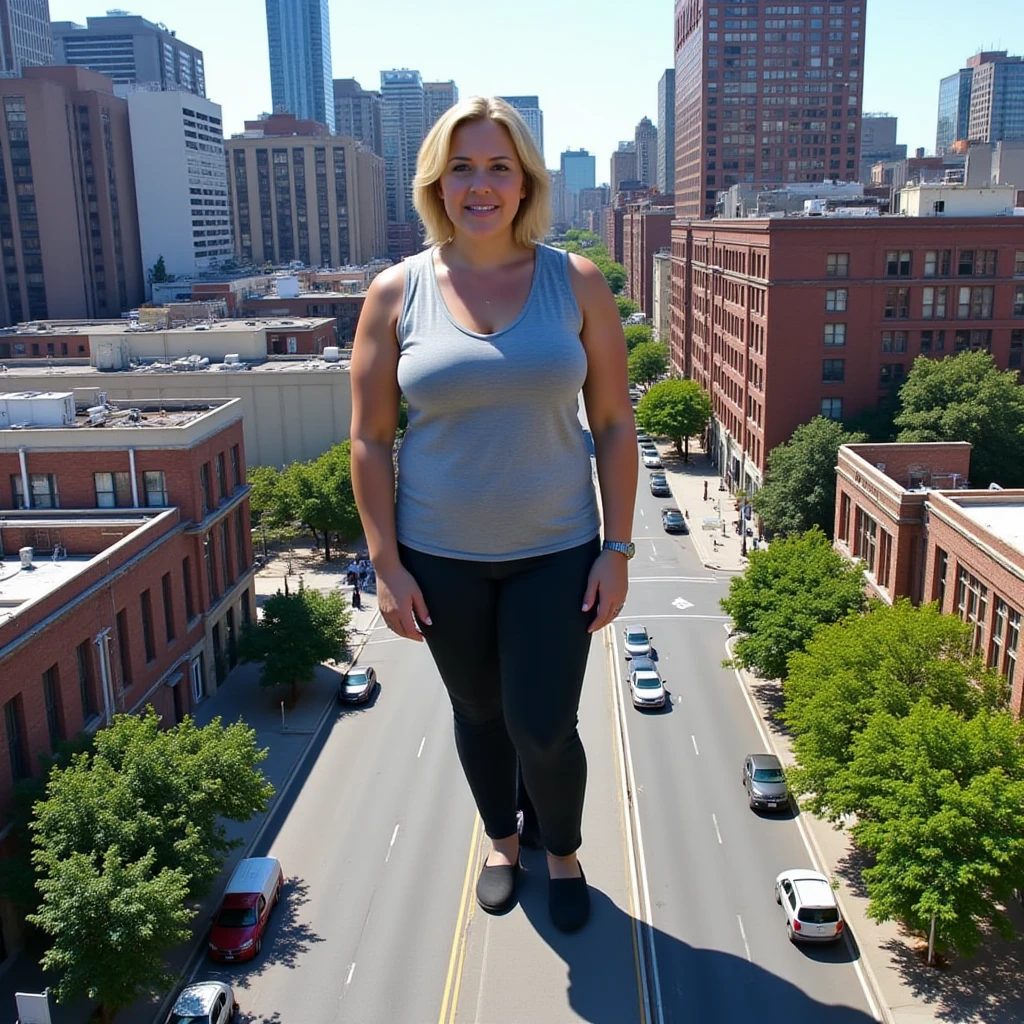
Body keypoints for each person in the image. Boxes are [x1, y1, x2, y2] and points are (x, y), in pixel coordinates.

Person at [349, 96, 637, 933]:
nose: (481, 185)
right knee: (477, 714)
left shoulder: (576, 282)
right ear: (438, 182)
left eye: (498, 167)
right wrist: (387, 565)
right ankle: (503, 840)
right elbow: (368, 441)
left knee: (543, 725)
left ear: (525, 183)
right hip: (439, 556)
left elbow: (616, 422)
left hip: (556, 550)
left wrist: (617, 547)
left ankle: (564, 850)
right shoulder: (394, 293)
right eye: (463, 167)